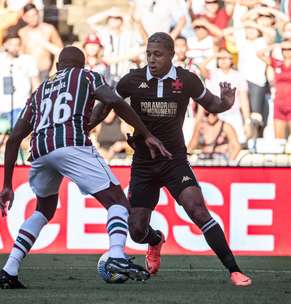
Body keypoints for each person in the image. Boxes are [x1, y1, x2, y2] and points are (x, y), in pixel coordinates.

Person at [0, 46, 172, 289]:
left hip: (40, 150)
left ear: (58, 66)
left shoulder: (40, 90)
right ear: (82, 65)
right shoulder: (88, 76)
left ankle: (9, 269)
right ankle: (116, 256)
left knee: (43, 210)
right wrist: (146, 133)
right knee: (118, 203)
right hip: (72, 144)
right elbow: (113, 100)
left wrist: (7, 184)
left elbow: (15, 137)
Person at [92, 32, 252, 286]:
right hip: (144, 163)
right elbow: (106, 107)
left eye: (157, 54)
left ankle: (234, 270)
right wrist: (87, 124)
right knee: (136, 229)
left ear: (171, 55)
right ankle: (155, 240)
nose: (152, 59)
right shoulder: (132, 80)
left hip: (174, 160)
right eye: (148, 54)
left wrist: (226, 103)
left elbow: (212, 104)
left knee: (197, 209)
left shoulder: (186, 79)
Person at [257, 41, 291, 138]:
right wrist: (276, 45)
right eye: (285, 49)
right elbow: (259, 54)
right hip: (279, 106)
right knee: (279, 141)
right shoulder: (277, 64)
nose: (287, 52)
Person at [18, 3, 63, 81]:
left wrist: (54, 71)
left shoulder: (49, 29)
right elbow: (20, 53)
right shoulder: (22, 32)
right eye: (29, 16)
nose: (33, 18)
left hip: (46, 72)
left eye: (34, 15)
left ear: (38, 14)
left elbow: (60, 50)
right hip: (28, 73)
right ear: (24, 17)